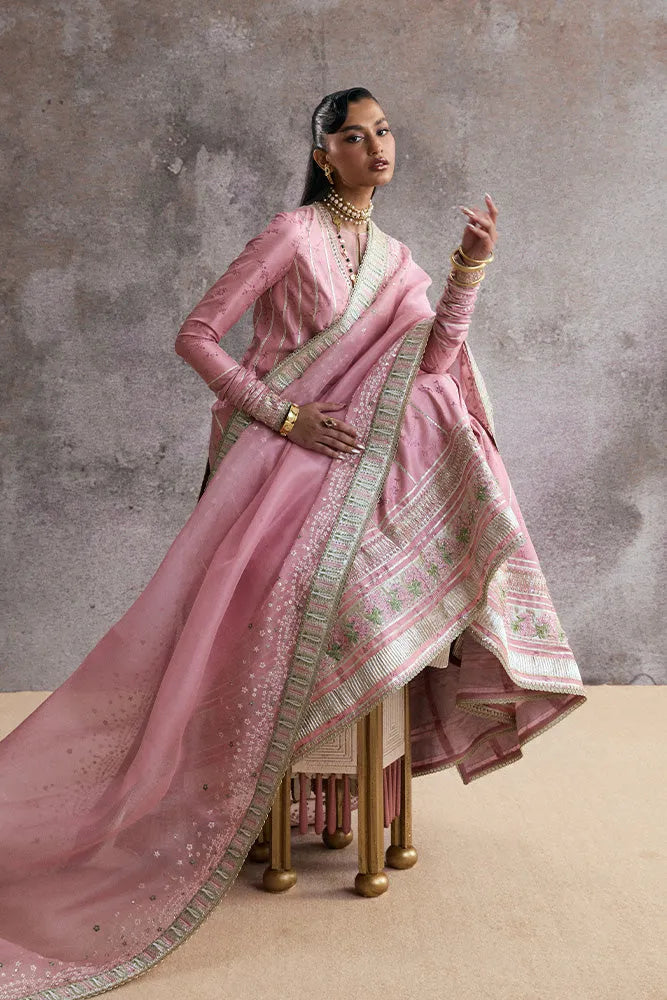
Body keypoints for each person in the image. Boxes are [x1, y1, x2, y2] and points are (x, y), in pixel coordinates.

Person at [0, 87, 586, 999]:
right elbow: (197, 336)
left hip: (351, 470)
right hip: (278, 464)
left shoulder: (396, 258)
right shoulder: (291, 235)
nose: (376, 146)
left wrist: (469, 269)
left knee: (436, 412)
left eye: (383, 131)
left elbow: (430, 361)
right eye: (354, 135)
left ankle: (340, 769)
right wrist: (284, 415)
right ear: (323, 156)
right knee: (285, 597)